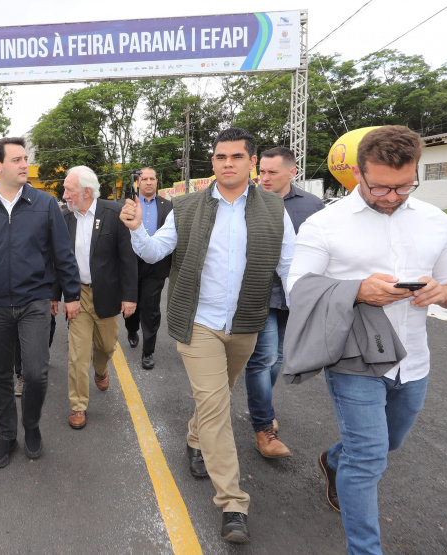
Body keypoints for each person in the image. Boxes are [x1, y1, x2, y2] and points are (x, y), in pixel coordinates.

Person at [286, 126, 447, 554]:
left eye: (404, 186)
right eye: (380, 187)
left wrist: (443, 292)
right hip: (354, 358)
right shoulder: (325, 223)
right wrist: (357, 290)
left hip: (415, 361)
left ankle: (335, 460)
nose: (391, 196)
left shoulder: (435, 221)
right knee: (370, 457)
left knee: (386, 443)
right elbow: (297, 287)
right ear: (357, 173)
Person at [120, 127, 295, 544]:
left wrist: (308, 314)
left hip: (245, 322)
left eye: (236, 156)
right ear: (212, 162)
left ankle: (195, 437)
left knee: (219, 395)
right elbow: (152, 251)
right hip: (197, 322)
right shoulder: (188, 207)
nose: (227, 163)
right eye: (220, 157)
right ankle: (233, 503)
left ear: (252, 162)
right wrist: (134, 229)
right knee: (215, 403)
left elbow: (290, 267)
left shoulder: (274, 209)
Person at [0, 136, 81, 468]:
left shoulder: (44, 204)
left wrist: (72, 295)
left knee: (36, 373)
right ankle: (7, 435)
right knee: (0, 375)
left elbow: (63, 253)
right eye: (17, 160)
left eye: (26, 158)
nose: (25, 164)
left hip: (35, 301)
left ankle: (32, 426)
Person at [243, 146, 325, 459]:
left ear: (292, 172)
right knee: (262, 359)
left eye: (271, 172)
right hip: (259, 293)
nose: (263, 178)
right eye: (260, 171)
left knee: (277, 359)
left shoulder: (312, 206)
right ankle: (263, 425)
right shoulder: (247, 201)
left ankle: (260, 406)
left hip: (295, 296)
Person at [54, 166, 136, 430]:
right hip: (77, 295)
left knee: (106, 346)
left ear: (86, 192)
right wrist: (56, 296)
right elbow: (57, 260)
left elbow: (127, 258)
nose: (64, 194)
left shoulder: (113, 213)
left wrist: (130, 296)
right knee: (77, 354)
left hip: (107, 294)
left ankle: (101, 370)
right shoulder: (64, 219)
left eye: (69, 189)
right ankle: (78, 406)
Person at [123, 167, 172, 370]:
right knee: (132, 307)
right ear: (138, 182)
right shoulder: (127, 206)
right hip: (131, 264)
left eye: (153, 178)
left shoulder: (168, 206)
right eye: (145, 179)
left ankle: (148, 352)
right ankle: (132, 329)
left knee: (151, 309)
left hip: (156, 265)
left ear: (157, 181)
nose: (149, 182)